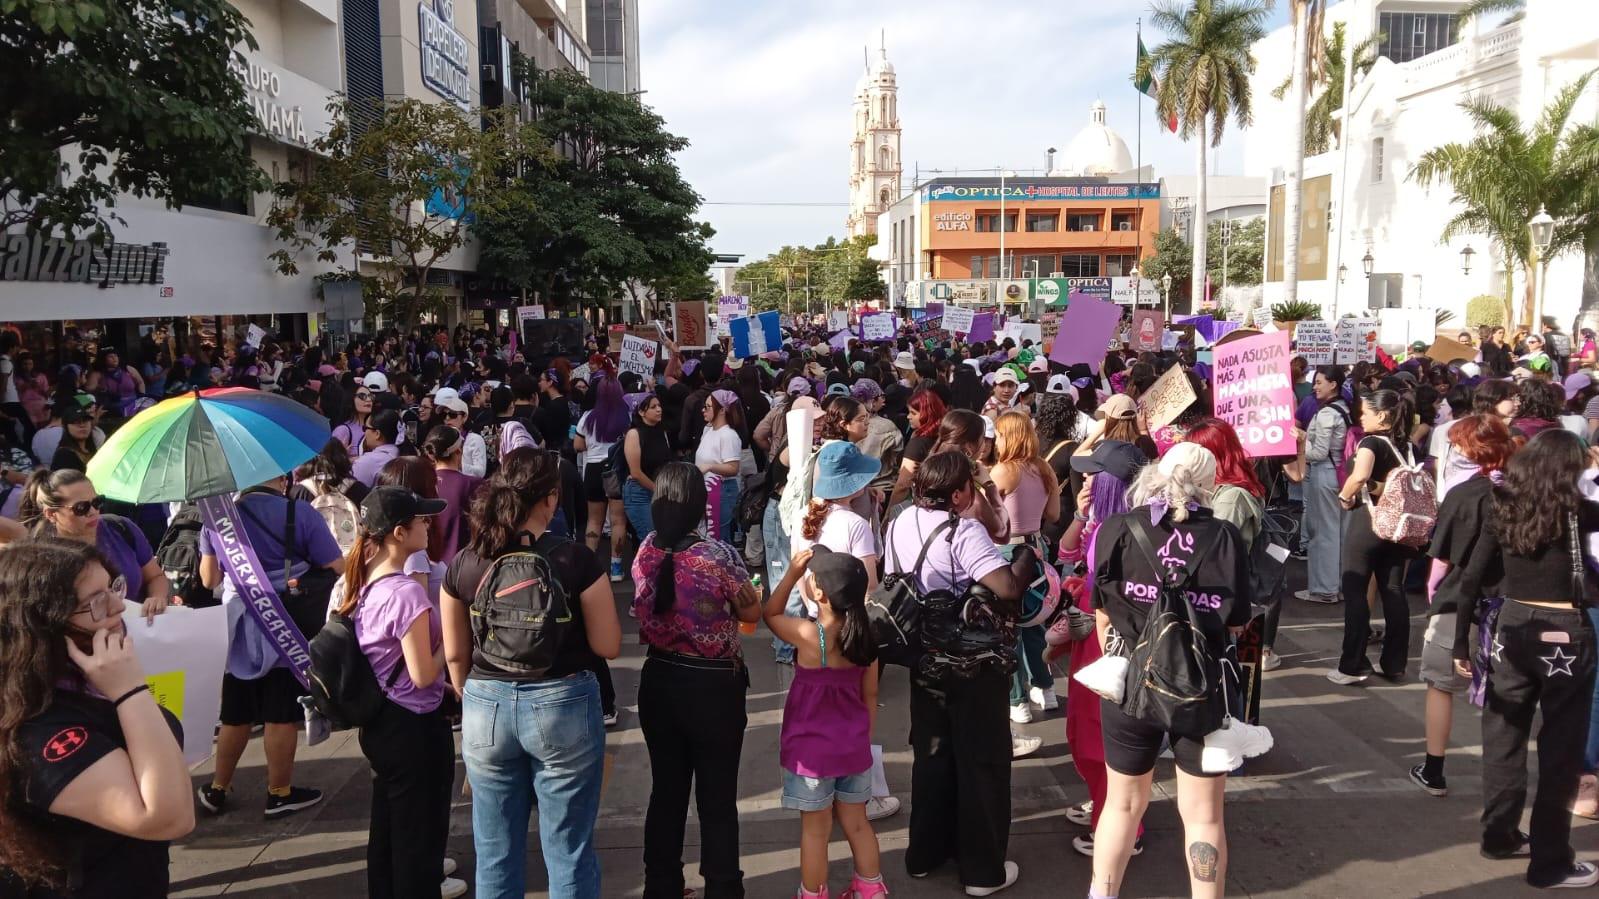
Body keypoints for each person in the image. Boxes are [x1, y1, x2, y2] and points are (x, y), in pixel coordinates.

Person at [439, 448, 620, 899]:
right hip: (563, 703)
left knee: (495, 849)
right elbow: (608, 645)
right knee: (568, 849)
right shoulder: (576, 560)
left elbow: (456, 654)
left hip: (485, 704)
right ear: (551, 500)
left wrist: (472, 696)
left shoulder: (465, 562)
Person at [1089, 443, 1252, 899]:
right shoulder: (1224, 536)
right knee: (1204, 816)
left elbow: (1101, 609)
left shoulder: (1117, 528)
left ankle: (1102, 894)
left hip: (1129, 681)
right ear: (1208, 483)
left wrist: (1120, 658)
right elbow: (1237, 620)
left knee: (1120, 805)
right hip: (1199, 688)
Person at [0, 539, 194, 897]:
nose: (119, 605)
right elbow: (169, 817)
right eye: (95, 602)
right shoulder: (38, 729)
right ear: (45, 626)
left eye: (113, 587)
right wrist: (131, 691)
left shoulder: (86, 682)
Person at [1453, 429, 1599, 888]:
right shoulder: (1582, 512)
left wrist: (1461, 642)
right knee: (1561, 749)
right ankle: (1550, 862)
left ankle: (1499, 836)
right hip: (1566, 633)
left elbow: (1471, 578)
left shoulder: (1504, 507)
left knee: (1502, 736)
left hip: (1511, 629)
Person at [888, 451, 1022, 894]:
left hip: (923, 655)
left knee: (932, 755)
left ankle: (925, 854)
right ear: (961, 492)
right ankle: (983, 871)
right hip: (972, 663)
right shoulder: (962, 531)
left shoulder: (901, 521)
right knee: (981, 759)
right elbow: (1004, 587)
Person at [631, 463, 760, 898]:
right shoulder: (718, 556)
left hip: (660, 679)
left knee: (666, 791)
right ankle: (723, 887)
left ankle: (661, 884)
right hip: (713, 687)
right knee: (717, 798)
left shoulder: (646, 549)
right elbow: (750, 612)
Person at [195, 470, 344, 818]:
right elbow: (335, 564)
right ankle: (279, 793)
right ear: (283, 480)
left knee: (235, 712)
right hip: (284, 620)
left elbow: (209, 579)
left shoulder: (219, 519)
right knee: (280, 712)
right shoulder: (300, 512)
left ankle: (217, 788)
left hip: (238, 629)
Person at [340, 487, 463, 899]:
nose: (428, 525)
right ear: (398, 532)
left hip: (382, 722)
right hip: (414, 728)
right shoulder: (406, 593)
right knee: (419, 841)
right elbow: (424, 673)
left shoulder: (363, 583)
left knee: (389, 830)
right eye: (421, 519)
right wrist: (451, 639)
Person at [765, 548, 887, 899]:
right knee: (858, 824)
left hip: (811, 754)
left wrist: (790, 574)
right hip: (853, 748)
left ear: (819, 593)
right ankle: (870, 888)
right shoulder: (866, 640)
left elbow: (769, 613)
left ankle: (814, 893)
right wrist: (863, 737)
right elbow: (870, 694)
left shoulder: (809, 635)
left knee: (815, 832)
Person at [1411, 414, 1515, 798]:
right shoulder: (1524, 491)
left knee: (1440, 684)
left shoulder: (1465, 495)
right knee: (1507, 694)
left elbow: (1441, 560)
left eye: (1457, 444)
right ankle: (1505, 778)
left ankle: (1434, 769)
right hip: (1513, 607)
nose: (1452, 450)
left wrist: (1433, 594)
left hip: (1460, 603)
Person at [1330, 389, 1419, 685]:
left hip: (1367, 523)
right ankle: (1394, 663)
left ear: (1381, 416)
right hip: (1397, 528)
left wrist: (1344, 497)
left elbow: (1360, 476)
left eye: (1365, 412)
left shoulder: (1371, 442)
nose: (1360, 417)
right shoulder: (1406, 446)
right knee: (1393, 591)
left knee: (1355, 591)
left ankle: (1352, 665)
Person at [21, 469, 171, 620]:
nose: (93, 511)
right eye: (81, 508)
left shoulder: (121, 528)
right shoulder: (42, 559)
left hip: (141, 630)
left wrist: (157, 597)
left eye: (97, 502)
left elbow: (155, 576)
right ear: (51, 514)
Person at [992, 410, 1061, 724]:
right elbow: (1056, 515)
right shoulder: (1044, 468)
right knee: (1035, 621)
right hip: (1037, 547)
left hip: (1007, 552)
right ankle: (1045, 689)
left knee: (1008, 629)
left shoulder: (1003, 471)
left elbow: (989, 517)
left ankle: (1016, 699)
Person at [1185, 419, 1272, 666]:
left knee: (1220, 670)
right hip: (1219, 596)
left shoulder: (1230, 498)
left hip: (1221, 599)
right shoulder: (1218, 490)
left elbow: (1213, 551)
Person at [792, 441, 882, 604]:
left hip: (816, 616)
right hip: (848, 619)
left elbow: (797, 569)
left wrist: (812, 608)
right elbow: (870, 586)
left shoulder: (802, 514)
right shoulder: (856, 525)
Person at [574, 374, 630, 581]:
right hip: (616, 470)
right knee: (618, 521)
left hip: (593, 470)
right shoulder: (627, 416)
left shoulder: (587, 417)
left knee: (594, 520)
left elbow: (578, 446)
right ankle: (616, 567)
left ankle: (591, 566)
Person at [423, 425, 482, 564]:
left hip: (425, 565)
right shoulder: (474, 484)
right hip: (461, 566)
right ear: (458, 451)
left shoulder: (420, 482)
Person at [623, 394, 673, 543]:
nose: (659, 410)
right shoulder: (634, 434)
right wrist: (658, 489)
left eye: (659, 406)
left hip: (660, 491)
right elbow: (636, 472)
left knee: (662, 538)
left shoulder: (662, 432)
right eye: (653, 407)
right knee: (651, 540)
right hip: (639, 493)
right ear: (641, 412)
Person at [697, 390, 745, 542]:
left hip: (721, 492)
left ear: (722, 410)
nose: (703, 410)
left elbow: (733, 468)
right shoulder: (708, 430)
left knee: (719, 537)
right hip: (706, 491)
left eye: (708, 406)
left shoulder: (729, 436)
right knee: (708, 537)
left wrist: (710, 466)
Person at [888, 388, 946, 508]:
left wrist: (889, 513)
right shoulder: (944, 438)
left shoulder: (918, 444)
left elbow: (903, 485)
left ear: (927, 414)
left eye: (913, 413)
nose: (908, 417)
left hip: (918, 506)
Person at [353, 409, 402, 487]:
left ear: (377, 434)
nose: (364, 432)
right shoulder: (405, 454)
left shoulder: (367, 461)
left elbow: (352, 495)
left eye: (365, 428)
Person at [48, 406, 100, 473]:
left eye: (85, 421)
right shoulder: (64, 455)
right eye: (76, 422)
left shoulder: (92, 448)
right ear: (65, 427)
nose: (82, 425)